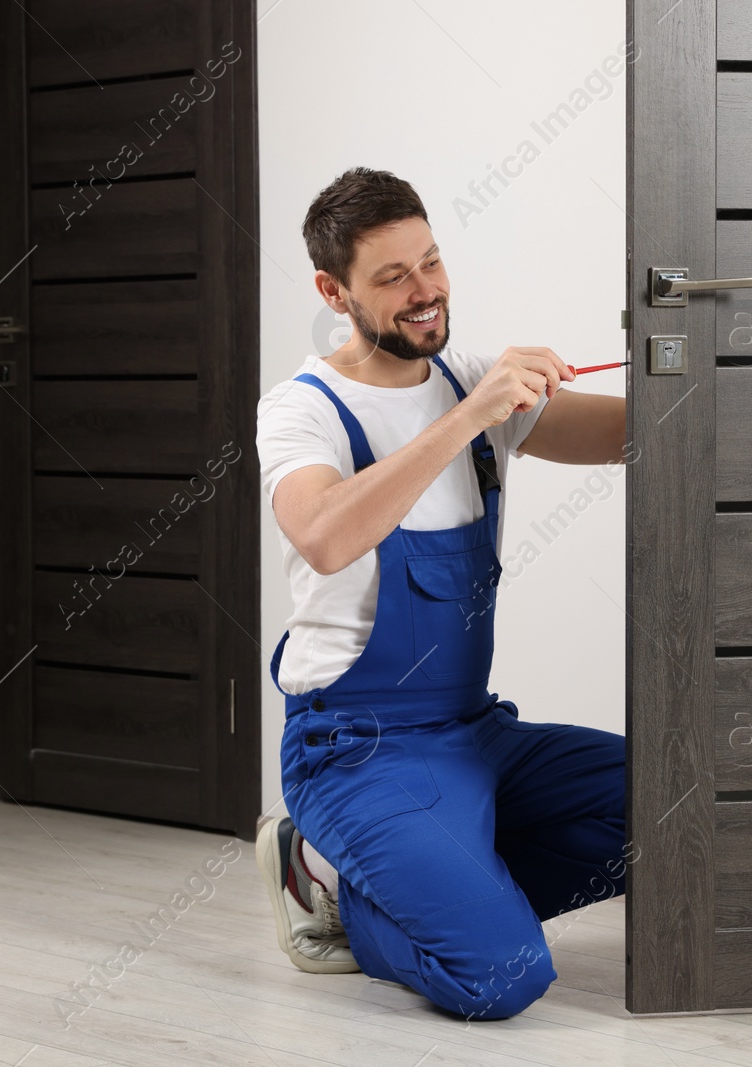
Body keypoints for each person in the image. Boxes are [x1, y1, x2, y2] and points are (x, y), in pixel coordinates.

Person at [253, 167, 629, 1021]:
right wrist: (468, 417)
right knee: (501, 975)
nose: (425, 291)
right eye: (392, 277)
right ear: (333, 290)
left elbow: (631, 436)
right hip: (358, 749)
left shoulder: (468, 379)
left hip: (473, 733)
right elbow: (325, 532)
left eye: (431, 261)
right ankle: (334, 889)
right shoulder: (303, 410)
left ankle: (450, 881)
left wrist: (694, 359)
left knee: (675, 800)